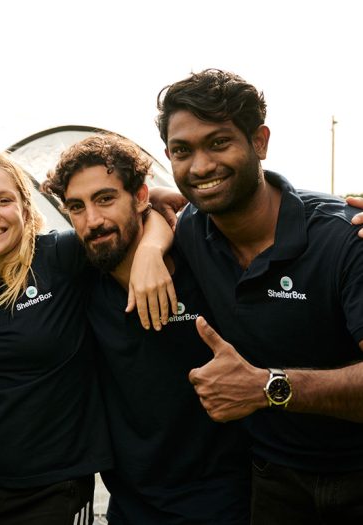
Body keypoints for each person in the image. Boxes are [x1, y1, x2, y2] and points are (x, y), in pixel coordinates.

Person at [156, 68, 363, 524]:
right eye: (182, 151)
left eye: (219, 142)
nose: (201, 166)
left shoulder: (344, 238)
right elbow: (148, 201)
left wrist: (268, 387)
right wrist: (153, 247)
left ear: (260, 142)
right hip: (272, 481)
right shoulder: (191, 230)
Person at [42, 133, 251, 524]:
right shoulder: (79, 276)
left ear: (139, 197)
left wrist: (154, 246)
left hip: (226, 501)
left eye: (105, 199)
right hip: (130, 507)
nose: (93, 221)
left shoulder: (203, 258)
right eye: (76, 207)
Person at [0, 150, 115, 525]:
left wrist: (152, 247)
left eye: (3, 200)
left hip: (59, 485)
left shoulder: (58, 257)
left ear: (24, 207)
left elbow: (132, 221)